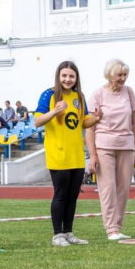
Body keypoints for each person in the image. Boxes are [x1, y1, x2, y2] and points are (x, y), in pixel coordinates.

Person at [35, 61, 100, 246]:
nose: (67, 79)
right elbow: (37, 121)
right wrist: (55, 111)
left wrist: (96, 119)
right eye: (64, 75)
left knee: (73, 196)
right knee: (61, 194)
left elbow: (84, 122)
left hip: (76, 154)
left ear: (76, 78)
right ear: (58, 76)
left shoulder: (79, 96)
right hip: (58, 153)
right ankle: (58, 235)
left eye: (71, 76)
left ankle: (69, 232)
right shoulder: (49, 94)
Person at [86, 59, 135, 240]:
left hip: (126, 145)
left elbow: (134, 123)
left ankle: (118, 226)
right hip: (104, 146)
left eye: (125, 75)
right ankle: (111, 230)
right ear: (110, 75)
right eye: (120, 75)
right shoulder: (98, 94)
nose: (123, 78)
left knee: (123, 189)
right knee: (107, 188)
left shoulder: (129, 92)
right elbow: (90, 127)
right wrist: (92, 155)